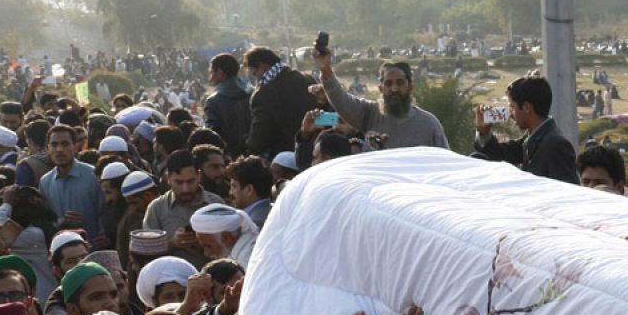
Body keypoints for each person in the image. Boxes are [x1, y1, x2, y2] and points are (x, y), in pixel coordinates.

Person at [315, 50, 449, 150]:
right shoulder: (370, 114)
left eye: (400, 83)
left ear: (410, 87)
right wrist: (326, 70)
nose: (394, 89)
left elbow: (446, 163)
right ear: (381, 88)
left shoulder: (429, 124)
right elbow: (342, 101)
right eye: (389, 84)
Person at [472, 77, 577, 184]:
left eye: (512, 107)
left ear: (526, 107)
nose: (510, 114)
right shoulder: (532, 139)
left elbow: (569, 191)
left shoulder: (556, 145)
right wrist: (483, 131)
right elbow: (500, 155)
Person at [244, 46, 317, 159]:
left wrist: (248, 149)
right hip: (313, 150)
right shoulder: (307, 79)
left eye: (254, 73)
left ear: (263, 66)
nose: (255, 77)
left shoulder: (264, 93)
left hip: (281, 158)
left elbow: (260, 136)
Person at [203, 53, 252, 154]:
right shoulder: (253, 92)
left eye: (211, 72)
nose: (210, 77)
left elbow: (213, 135)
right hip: (257, 155)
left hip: (231, 158)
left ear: (220, 72)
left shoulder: (213, 101)